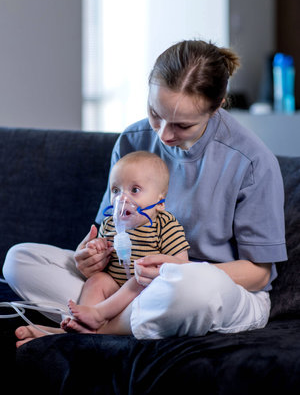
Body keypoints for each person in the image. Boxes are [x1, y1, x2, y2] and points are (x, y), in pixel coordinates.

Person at [3, 39, 287, 346]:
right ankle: (110, 318)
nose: (163, 134)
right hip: (129, 283)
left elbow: (259, 273)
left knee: (191, 291)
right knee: (19, 260)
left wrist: (180, 270)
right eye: (155, 112)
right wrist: (92, 255)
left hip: (211, 288)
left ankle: (85, 331)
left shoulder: (251, 162)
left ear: (216, 107)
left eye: (181, 125)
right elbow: (109, 229)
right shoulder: (133, 140)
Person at [61, 150, 189, 334]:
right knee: (97, 280)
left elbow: (181, 267)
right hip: (114, 290)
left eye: (134, 190)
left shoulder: (165, 225)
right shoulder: (110, 223)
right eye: (116, 190)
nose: (122, 198)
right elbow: (99, 260)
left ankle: (97, 316)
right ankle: (84, 324)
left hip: (145, 295)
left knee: (140, 276)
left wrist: (156, 268)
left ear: (160, 202)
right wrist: (95, 249)